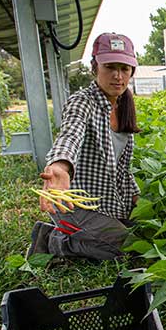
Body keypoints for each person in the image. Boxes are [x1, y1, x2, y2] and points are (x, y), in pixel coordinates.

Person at [28, 32, 140, 260]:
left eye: (124, 68)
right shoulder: (82, 101)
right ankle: (53, 241)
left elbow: (122, 169)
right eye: (110, 67)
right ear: (94, 68)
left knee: (145, 234)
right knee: (130, 249)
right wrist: (60, 166)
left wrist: (137, 198)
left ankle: (77, 235)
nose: (118, 76)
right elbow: (70, 134)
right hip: (76, 204)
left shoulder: (123, 106)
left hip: (107, 201)